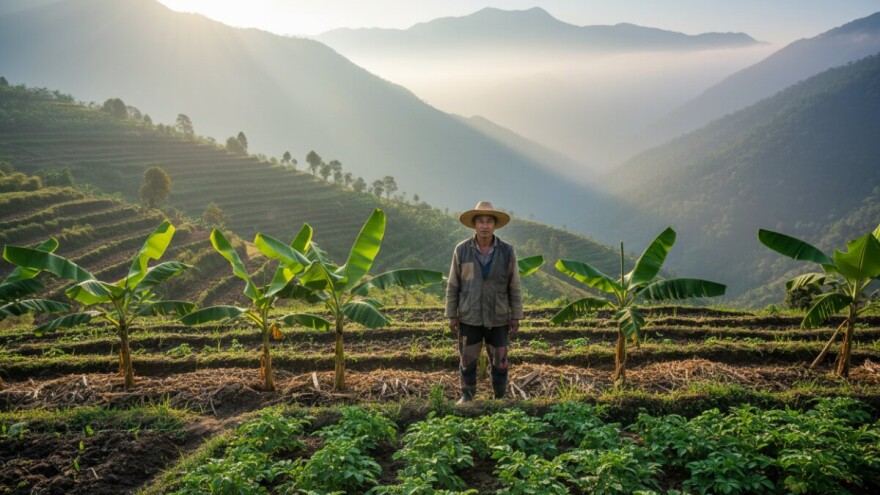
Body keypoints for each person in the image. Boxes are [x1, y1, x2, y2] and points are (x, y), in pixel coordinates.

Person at [446, 201, 524, 403]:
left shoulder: (507, 251)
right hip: (469, 316)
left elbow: (514, 285)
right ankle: (467, 396)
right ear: (474, 224)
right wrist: (452, 314)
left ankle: (499, 397)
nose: (484, 225)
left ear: (495, 225)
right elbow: (454, 284)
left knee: (500, 361)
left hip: (497, 317)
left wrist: (516, 316)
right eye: (480, 221)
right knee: (467, 359)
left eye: (489, 221)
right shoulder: (462, 250)